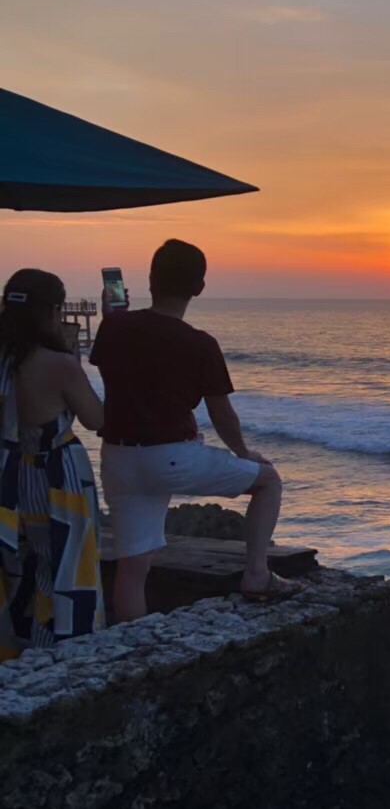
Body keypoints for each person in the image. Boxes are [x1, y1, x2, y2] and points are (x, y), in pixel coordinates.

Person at [91, 239, 296, 621]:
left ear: (150, 280)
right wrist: (242, 452)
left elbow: (116, 376)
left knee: (132, 569)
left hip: (118, 457)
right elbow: (222, 414)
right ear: (199, 287)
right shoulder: (200, 344)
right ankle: (256, 574)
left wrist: (112, 319)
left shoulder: (114, 328)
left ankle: (129, 647)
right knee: (268, 481)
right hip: (171, 456)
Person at [0, 269, 107, 654]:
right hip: (56, 474)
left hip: (9, 475)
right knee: (62, 566)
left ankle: (18, 646)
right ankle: (59, 649)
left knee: (20, 565)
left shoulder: (7, 359)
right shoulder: (57, 365)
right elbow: (98, 419)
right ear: (52, 312)